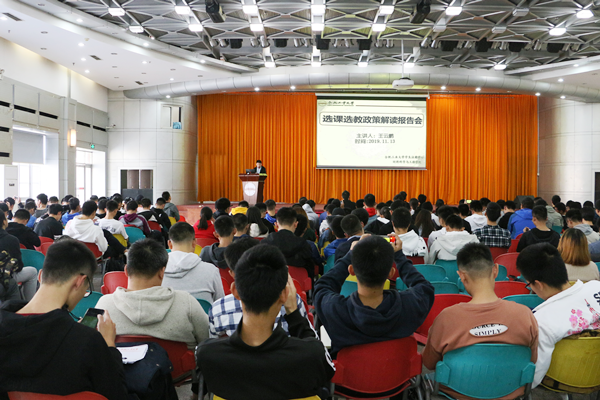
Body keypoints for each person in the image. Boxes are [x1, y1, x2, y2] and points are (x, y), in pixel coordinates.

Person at [198, 244, 333, 400]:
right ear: (285, 294)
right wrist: (294, 314)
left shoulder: (207, 354)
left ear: (235, 291)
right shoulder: (311, 354)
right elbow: (327, 369)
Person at [0, 239, 128, 399]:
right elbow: (117, 393)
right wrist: (109, 345)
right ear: (80, 281)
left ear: (40, 275)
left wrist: (72, 329)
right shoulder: (87, 341)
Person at [423, 243, 538, 399]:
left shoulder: (446, 318)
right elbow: (531, 360)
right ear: (495, 270)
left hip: (457, 394)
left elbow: (429, 363)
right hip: (510, 393)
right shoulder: (525, 315)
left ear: (462, 276)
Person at [314, 234, 434, 356]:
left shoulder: (334, 309)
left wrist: (350, 255)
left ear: (351, 271)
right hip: (396, 368)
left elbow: (322, 285)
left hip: (350, 369)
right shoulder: (409, 306)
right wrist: (399, 256)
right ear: (391, 273)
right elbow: (425, 287)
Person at [96, 238, 209, 350]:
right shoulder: (187, 303)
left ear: (126, 270)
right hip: (179, 362)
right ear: (162, 272)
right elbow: (208, 340)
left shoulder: (104, 306)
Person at [516, 243, 600, 388]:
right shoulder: (595, 286)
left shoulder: (541, 320)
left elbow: (536, 373)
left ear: (538, 285)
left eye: (529, 284)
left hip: (565, 379)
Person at [209, 238, 308, 338]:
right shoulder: (292, 301)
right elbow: (311, 342)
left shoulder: (218, 309)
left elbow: (213, 343)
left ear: (232, 274)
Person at [163, 222, 224, 302]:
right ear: (194, 243)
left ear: (169, 244)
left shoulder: (156, 273)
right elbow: (219, 303)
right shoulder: (211, 271)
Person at [262, 207, 314, 278]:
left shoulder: (265, 243)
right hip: (297, 283)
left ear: (276, 225)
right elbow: (310, 271)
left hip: (271, 282)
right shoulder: (304, 246)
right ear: (296, 224)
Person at [0, 212, 37, 301]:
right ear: (4, 222)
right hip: (5, 277)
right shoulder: (11, 239)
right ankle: (28, 304)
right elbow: (18, 267)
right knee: (32, 271)